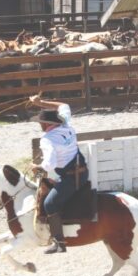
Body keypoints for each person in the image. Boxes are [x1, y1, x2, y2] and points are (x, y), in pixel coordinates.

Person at [28, 95, 89, 254]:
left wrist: (37, 166)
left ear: (47, 124)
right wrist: (40, 102)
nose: (40, 124)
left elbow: (50, 165)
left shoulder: (47, 140)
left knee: (49, 204)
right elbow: (64, 105)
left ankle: (59, 243)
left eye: (41, 122)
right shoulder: (67, 125)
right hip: (82, 172)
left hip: (70, 178)